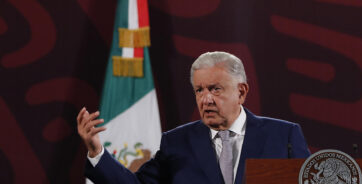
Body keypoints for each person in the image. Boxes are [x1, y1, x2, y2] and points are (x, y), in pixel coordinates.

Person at [77, 51, 310, 184]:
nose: (205, 99)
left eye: (215, 89)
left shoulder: (283, 136)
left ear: (241, 91)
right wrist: (97, 153)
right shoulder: (176, 143)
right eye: (199, 90)